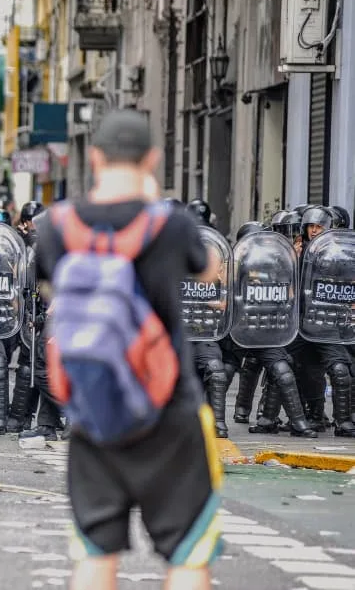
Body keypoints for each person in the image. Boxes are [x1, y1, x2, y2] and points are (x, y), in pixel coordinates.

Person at [35, 110, 222, 589]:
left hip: (95, 411)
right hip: (170, 408)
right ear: (152, 159)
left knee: (95, 557)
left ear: (94, 158)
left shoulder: (57, 226)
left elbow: (50, 290)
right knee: (186, 557)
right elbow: (208, 269)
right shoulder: (172, 225)